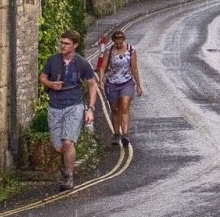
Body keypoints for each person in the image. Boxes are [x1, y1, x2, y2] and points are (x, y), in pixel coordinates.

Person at [40, 29, 98, 189]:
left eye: (66, 44)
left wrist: (90, 108)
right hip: (55, 106)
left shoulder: (82, 63)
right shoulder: (52, 60)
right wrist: (50, 84)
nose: (62, 46)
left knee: (68, 142)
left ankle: (69, 176)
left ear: (75, 45)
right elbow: (42, 76)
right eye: (61, 43)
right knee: (58, 147)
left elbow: (92, 84)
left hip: (74, 104)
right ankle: (65, 166)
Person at [98, 27, 144, 147]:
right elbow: (103, 67)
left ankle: (125, 135)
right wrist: (101, 81)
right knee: (114, 109)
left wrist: (138, 85)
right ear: (113, 41)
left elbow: (134, 67)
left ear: (124, 40)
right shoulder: (109, 51)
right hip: (112, 83)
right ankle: (116, 134)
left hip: (126, 82)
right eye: (116, 43)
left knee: (124, 106)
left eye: (120, 43)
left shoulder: (131, 50)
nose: (118, 45)